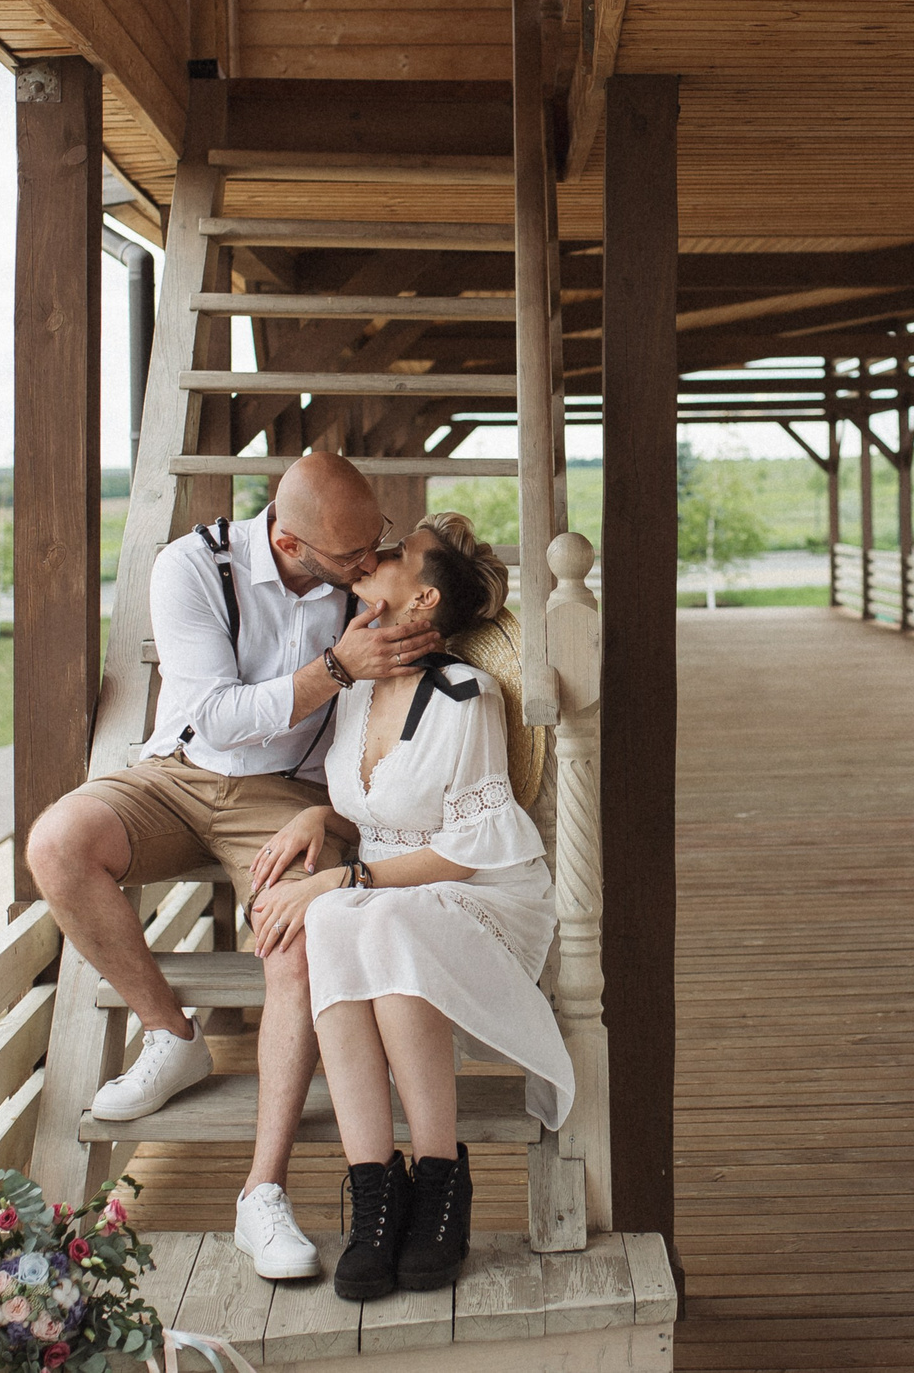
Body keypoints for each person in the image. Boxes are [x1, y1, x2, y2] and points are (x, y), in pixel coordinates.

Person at [24, 452, 444, 1282]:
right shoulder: (191, 566)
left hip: (290, 795)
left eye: (378, 539)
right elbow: (214, 716)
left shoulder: (368, 585)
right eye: (353, 553)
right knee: (56, 843)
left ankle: (262, 1191)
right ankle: (170, 1033)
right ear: (288, 542)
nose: (372, 561)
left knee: (295, 937)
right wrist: (336, 667)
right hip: (179, 773)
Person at [243, 512, 572, 1301]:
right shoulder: (357, 692)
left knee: (371, 915)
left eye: (400, 552)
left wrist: (343, 878)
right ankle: (375, 1192)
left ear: (423, 599)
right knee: (336, 920)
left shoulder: (466, 697)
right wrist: (316, 819)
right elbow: (372, 810)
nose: (379, 553)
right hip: (391, 893)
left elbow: (468, 847)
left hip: (480, 892)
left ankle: (439, 1177)